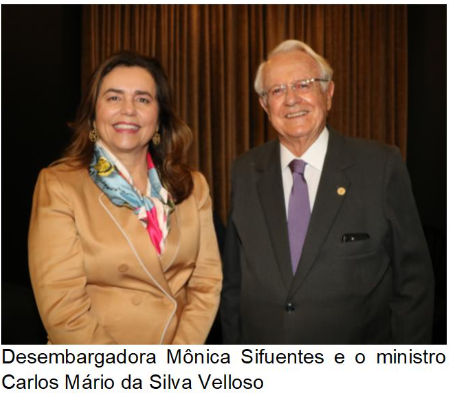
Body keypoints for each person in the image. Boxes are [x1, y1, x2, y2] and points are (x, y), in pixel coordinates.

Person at [221, 40, 434, 344]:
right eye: (277, 91)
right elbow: (234, 284)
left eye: (304, 85)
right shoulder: (244, 171)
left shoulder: (381, 166)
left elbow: (414, 283)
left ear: (328, 93)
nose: (292, 100)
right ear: (265, 105)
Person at [28, 52, 222, 344]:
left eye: (143, 99)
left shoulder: (192, 186)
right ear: (94, 114)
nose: (128, 110)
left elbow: (206, 284)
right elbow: (62, 307)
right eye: (114, 98)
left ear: (158, 119)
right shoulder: (59, 185)